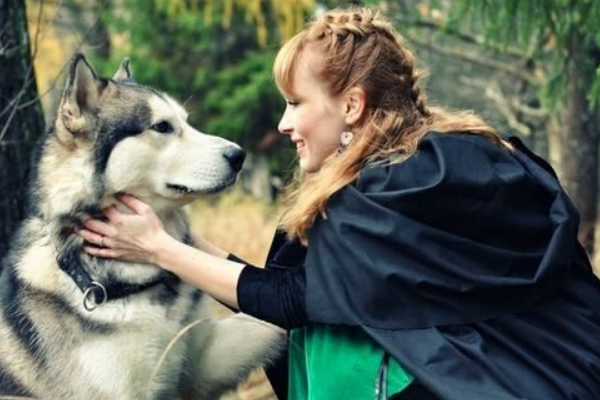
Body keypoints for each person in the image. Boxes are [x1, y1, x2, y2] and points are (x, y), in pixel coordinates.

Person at [78, 6, 600, 400]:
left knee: (328, 337)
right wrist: (173, 239)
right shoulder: (440, 164)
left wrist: (159, 251)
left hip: (472, 386)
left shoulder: (381, 193)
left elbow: (291, 302)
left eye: (296, 102)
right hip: (549, 372)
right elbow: (290, 291)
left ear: (351, 105)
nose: (284, 124)